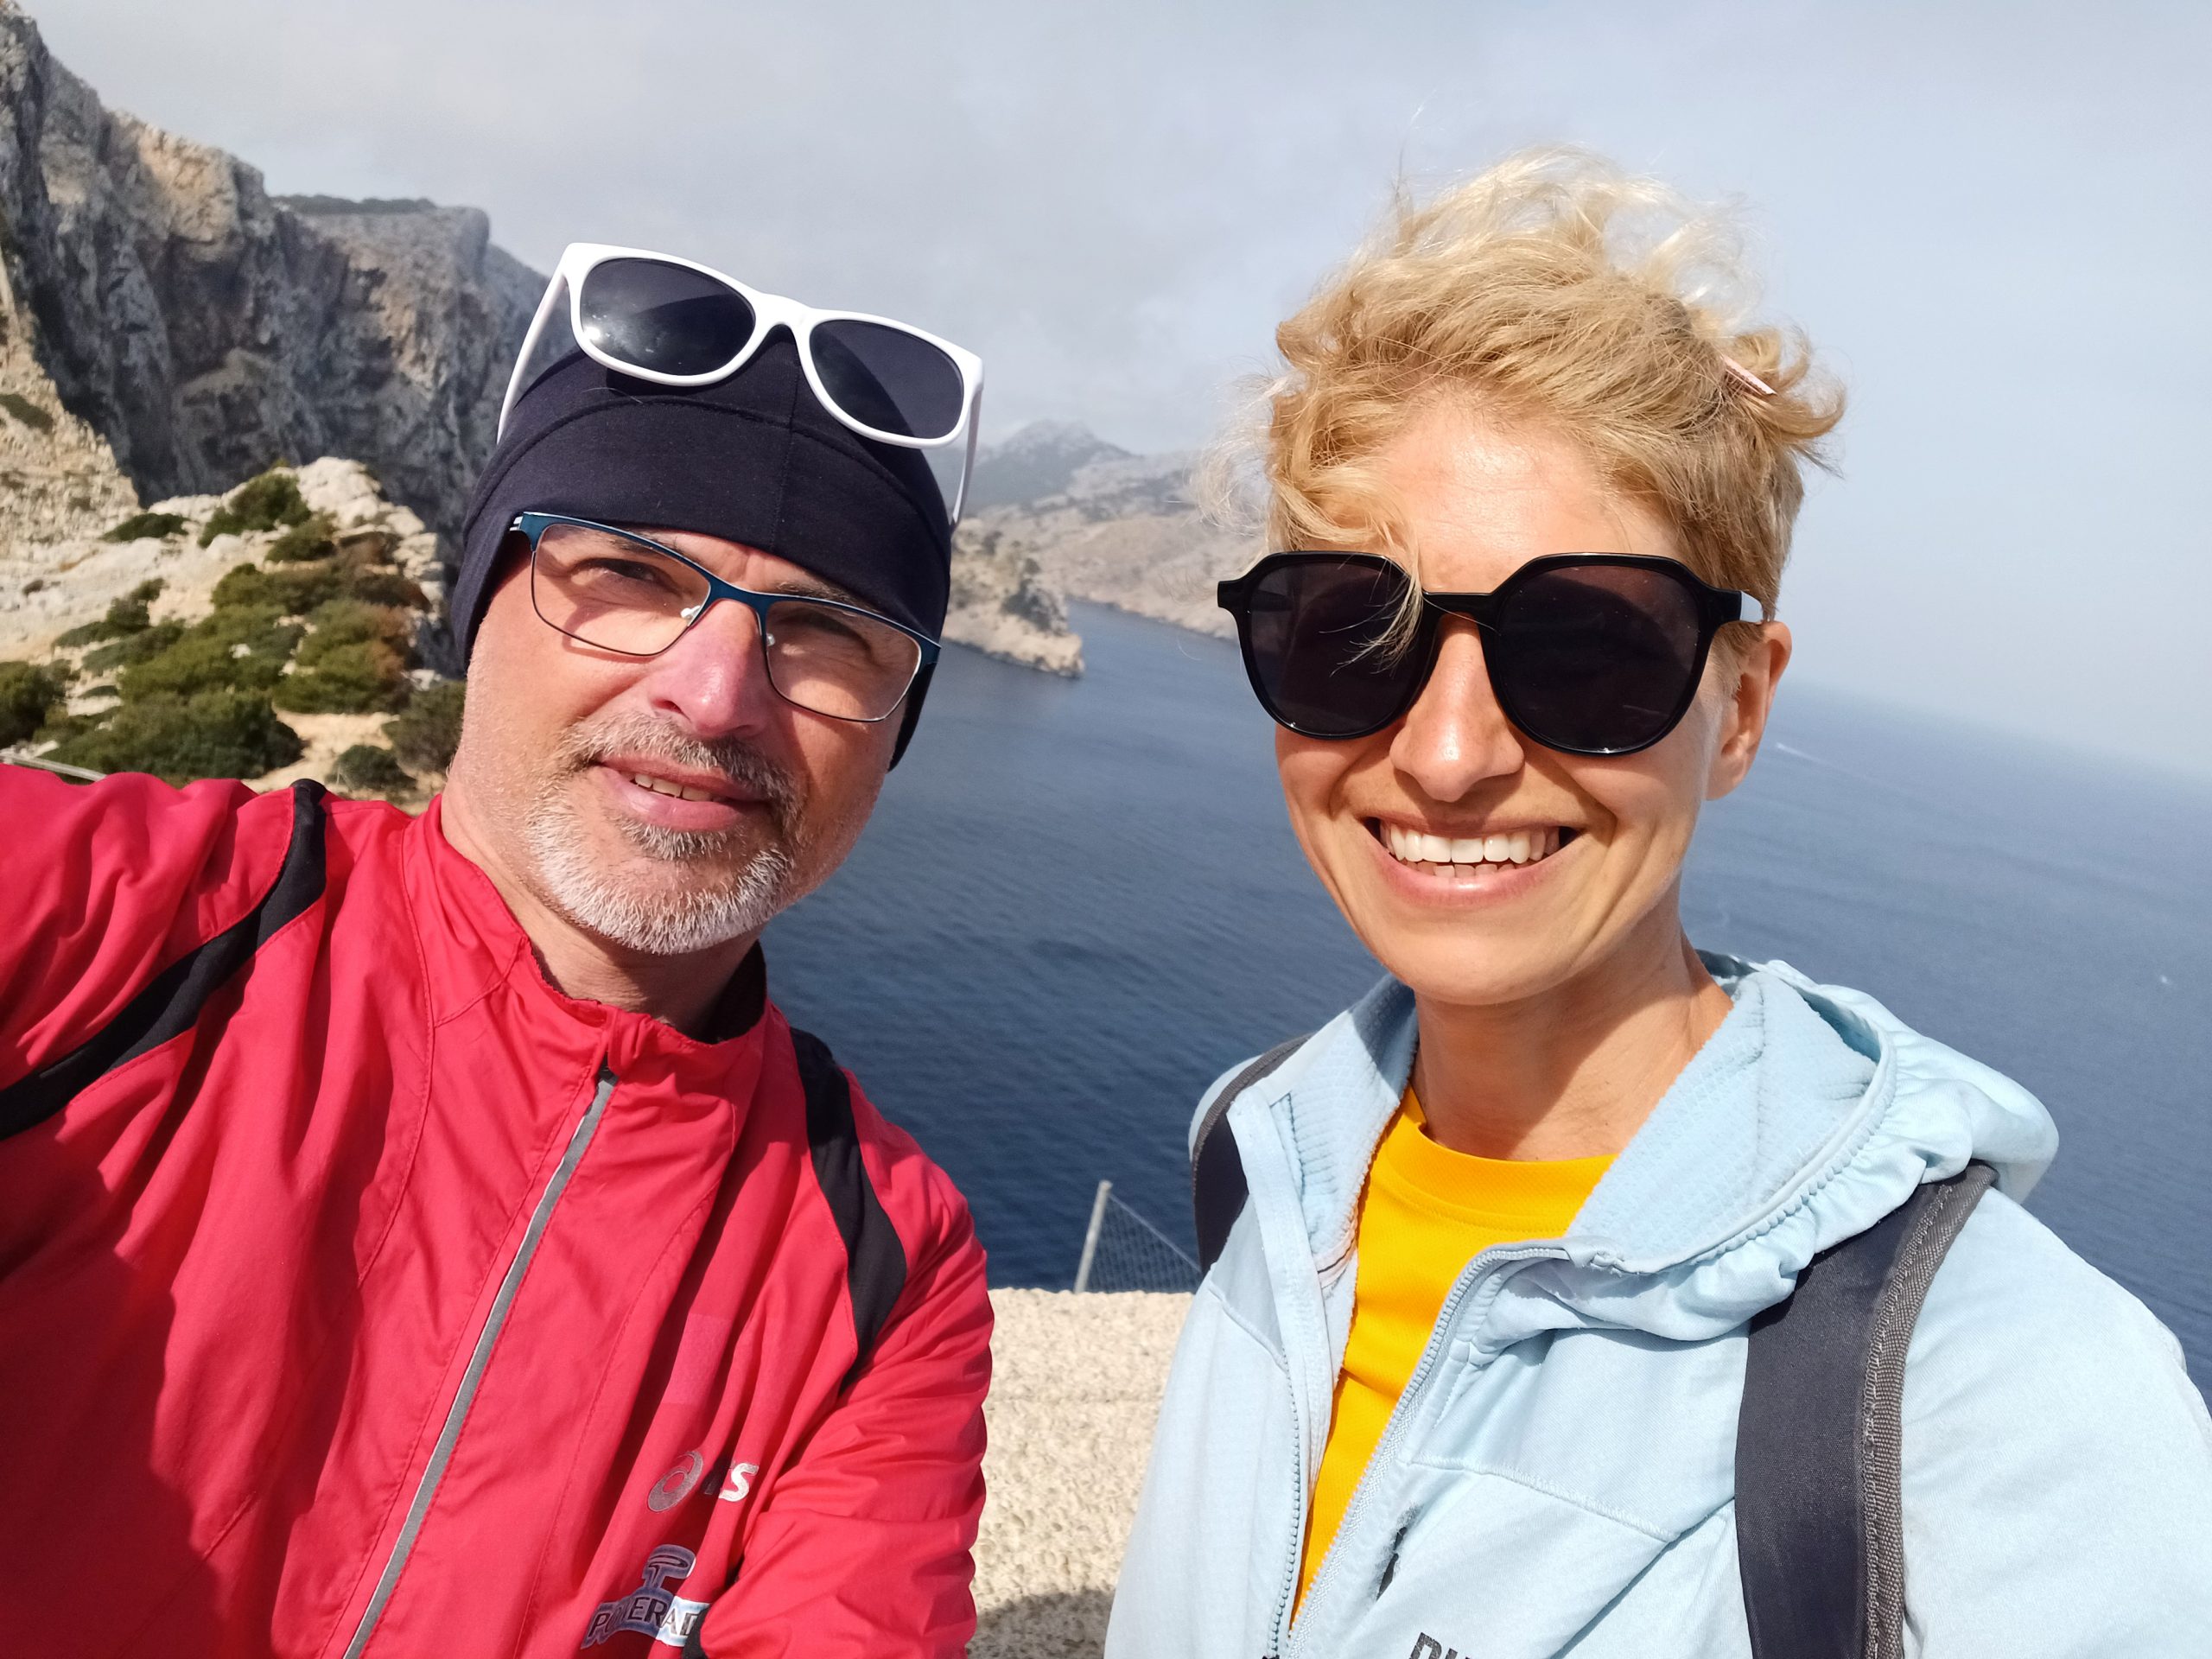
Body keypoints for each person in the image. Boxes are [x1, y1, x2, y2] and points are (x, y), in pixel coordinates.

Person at [1108, 152, 2212, 1657]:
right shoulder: (1264, 1156)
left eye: (1586, 651)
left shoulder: (2007, 1402)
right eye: (1353, 635)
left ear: (1740, 708)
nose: (1446, 755)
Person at [0, 245, 995, 1657]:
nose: (714, 695)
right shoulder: (123, 922)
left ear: (895, 730)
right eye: (629, 573)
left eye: (829, 632)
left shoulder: (886, 1259)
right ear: (481, 597)